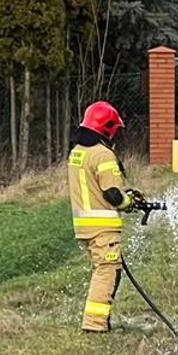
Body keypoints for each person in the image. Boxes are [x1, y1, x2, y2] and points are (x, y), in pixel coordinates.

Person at [67, 101, 146, 333]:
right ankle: (94, 325)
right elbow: (112, 194)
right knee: (106, 272)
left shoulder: (78, 152)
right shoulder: (103, 155)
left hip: (85, 226)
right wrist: (129, 202)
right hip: (102, 226)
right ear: (108, 128)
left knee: (107, 270)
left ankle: (101, 321)